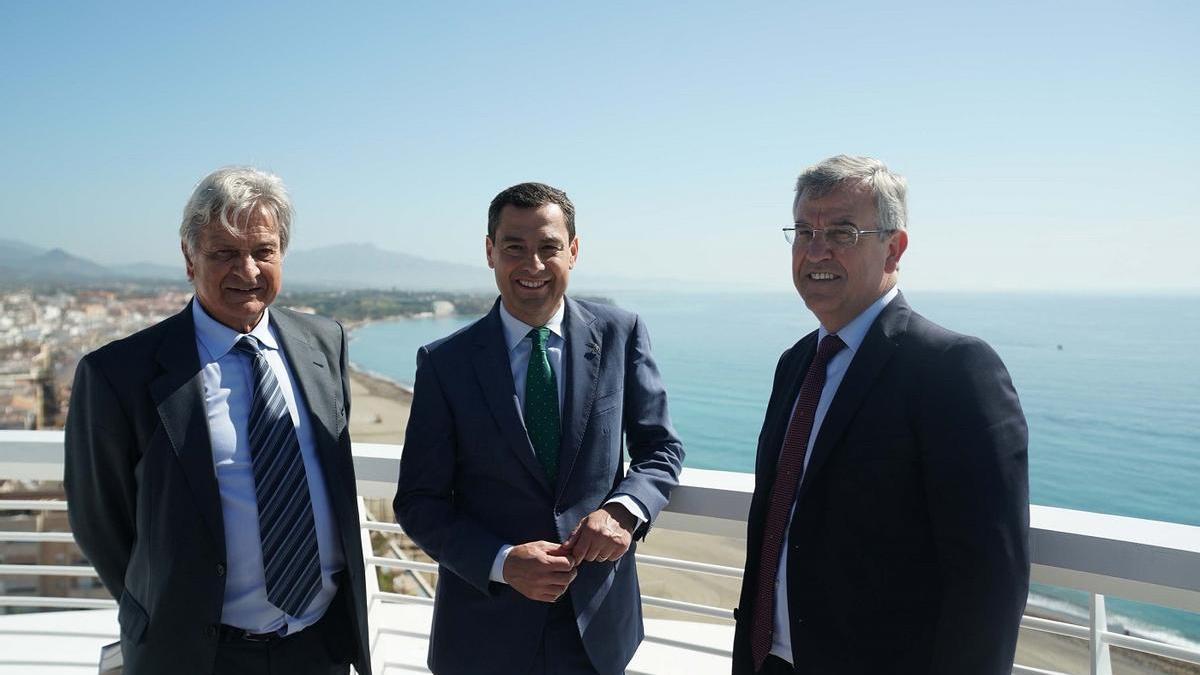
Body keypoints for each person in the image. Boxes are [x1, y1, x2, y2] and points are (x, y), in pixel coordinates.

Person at [64, 167, 371, 675]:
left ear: (282, 254)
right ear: (189, 259)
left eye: (263, 251)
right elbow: (101, 523)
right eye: (224, 252)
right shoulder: (118, 374)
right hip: (198, 656)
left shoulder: (324, 342)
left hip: (321, 646)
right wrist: (165, 611)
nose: (247, 271)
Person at [731, 156, 1030, 674]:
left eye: (843, 232)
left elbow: (989, 577)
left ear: (894, 247)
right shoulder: (797, 363)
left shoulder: (953, 369)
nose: (816, 249)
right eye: (804, 230)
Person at [394, 182, 685, 675]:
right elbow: (419, 502)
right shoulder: (444, 363)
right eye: (515, 248)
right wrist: (502, 562)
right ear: (490, 252)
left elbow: (660, 448)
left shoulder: (622, 332)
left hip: (595, 629)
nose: (532, 265)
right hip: (484, 633)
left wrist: (624, 510)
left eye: (549, 247)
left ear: (573, 251)